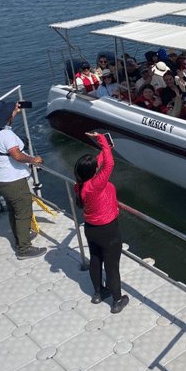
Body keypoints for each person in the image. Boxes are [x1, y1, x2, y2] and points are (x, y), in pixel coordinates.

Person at [74, 132, 129, 314]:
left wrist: (106, 149)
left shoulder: (81, 184)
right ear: (94, 172)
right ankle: (117, 301)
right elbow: (109, 164)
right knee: (112, 267)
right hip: (108, 230)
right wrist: (103, 142)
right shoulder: (96, 184)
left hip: (91, 229)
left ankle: (98, 293)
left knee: (96, 260)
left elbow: (97, 164)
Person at [0, 100, 46, 260]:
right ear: (6, 116)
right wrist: (34, 160)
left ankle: (21, 237)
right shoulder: (6, 135)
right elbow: (17, 156)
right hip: (13, 181)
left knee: (14, 211)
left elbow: (4, 125)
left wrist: (14, 111)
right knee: (23, 212)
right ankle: (24, 249)